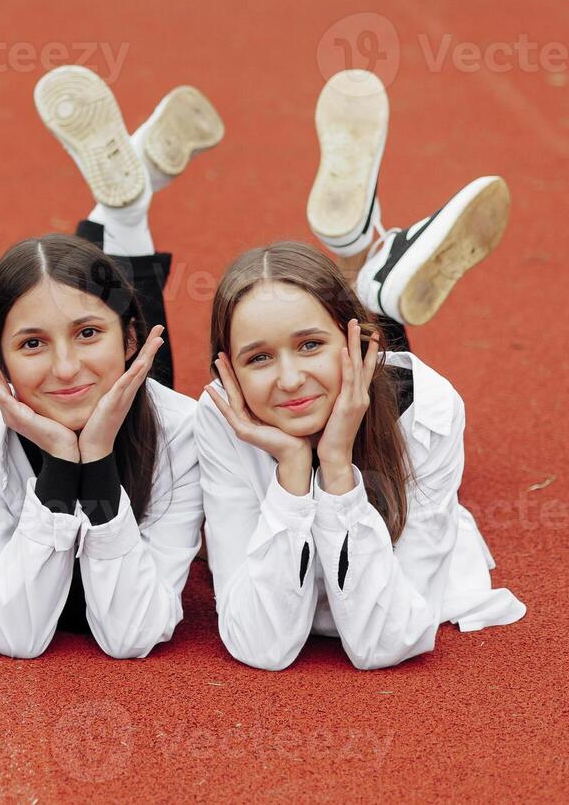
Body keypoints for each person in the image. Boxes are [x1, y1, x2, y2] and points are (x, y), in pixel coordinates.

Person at [197, 69, 526, 671]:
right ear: (227, 371)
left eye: (308, 346)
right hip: (361, 361)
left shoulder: (428, 409)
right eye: (258, 358)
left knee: (380, 380)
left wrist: (338, 467)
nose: (289, 379)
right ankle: (368, 260)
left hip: (384, 392)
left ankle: (364, 267)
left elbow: (390, 641)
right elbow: (261, 646)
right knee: (353, 362)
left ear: (349, 342)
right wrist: (297, 469)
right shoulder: (220, 413)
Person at [0, 65, 223, 658]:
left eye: (87, 333)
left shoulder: (186, 430)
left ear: (128, 339)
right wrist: (62, 464)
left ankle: (126, 219)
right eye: (31, 343)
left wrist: (101, 464)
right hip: (91, 391)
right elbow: (13, 635)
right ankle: (128, 215)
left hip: (145, 394)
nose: (63, 368)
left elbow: (132, 636)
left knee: (144, 394)